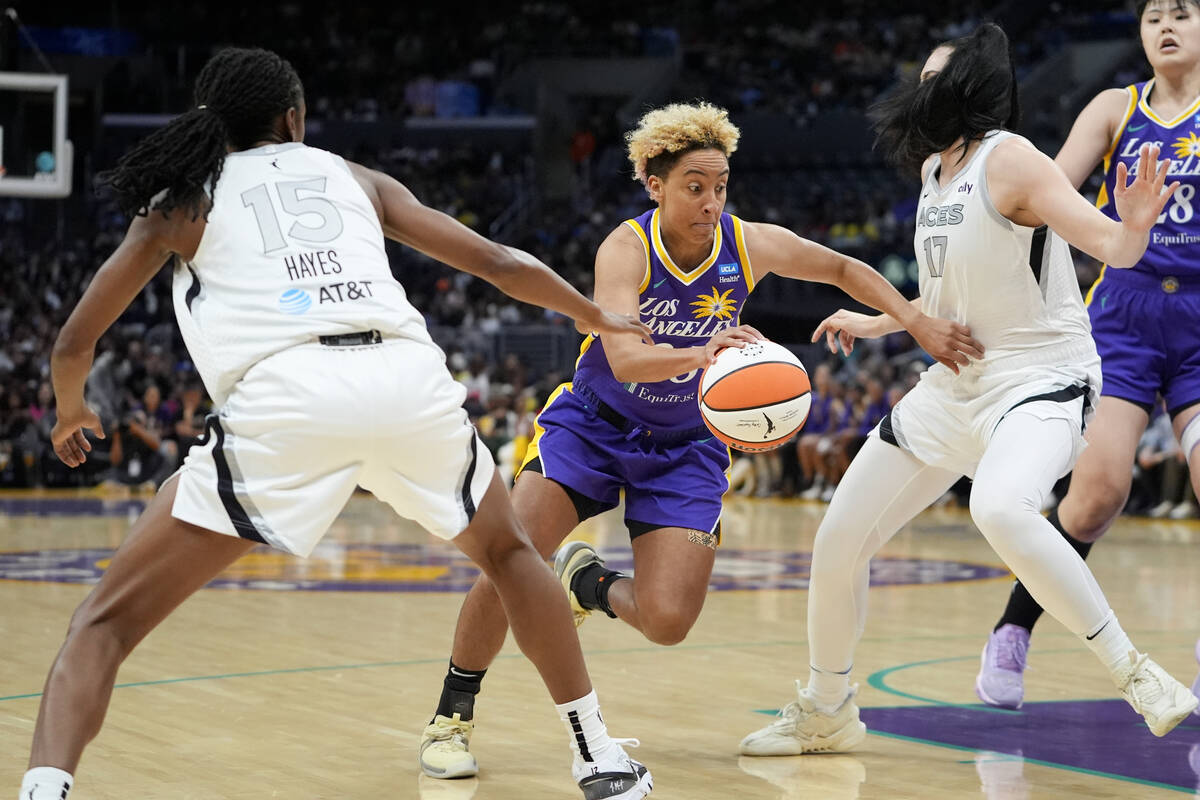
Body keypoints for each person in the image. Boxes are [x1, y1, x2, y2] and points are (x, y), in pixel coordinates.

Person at [21, 47, 658, 800]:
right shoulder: (355, 176)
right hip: (404, 379)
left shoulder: (179, 201)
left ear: (210, 124)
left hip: (288, 394)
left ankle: (45, 789)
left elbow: (72, 344)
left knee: (102, 624)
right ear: (292, 118)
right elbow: (496, 261)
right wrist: (594, 315)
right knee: (512, 556)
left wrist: (71, 409)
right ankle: (599, 757)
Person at [418, 100, 984, 780]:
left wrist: (914, 319)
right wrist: (700, 350)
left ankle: (587, 583)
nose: (711, 201)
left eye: (719, 187)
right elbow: (625, 359)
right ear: (654, 184)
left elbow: (841, 269)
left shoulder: (747, 243)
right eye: (695, 186)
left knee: (666, 620)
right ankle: (452, 715)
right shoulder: (625, 249)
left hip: (686, 443)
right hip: (595, 425)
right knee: (510, 555)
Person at [738, 23, 1197, 760]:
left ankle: (1136, 673)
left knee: (999, 506)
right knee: (837, 541)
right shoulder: (932, 175)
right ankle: (827, 707)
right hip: (954, 389)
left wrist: (1135, 222)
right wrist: (886, 320)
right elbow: (948, 296)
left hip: (1042, 380)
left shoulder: (1010, 159)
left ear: (968, 89)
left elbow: (1109, 245)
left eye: (934, 76)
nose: (919, 89)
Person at [975, 0, 1200, 710]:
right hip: (1123, 317)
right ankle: (1014, 627)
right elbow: (1049, 193)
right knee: (1098, 495)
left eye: (1184, 14)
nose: (1166, 26)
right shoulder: (1114, 107)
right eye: (1153, 17)